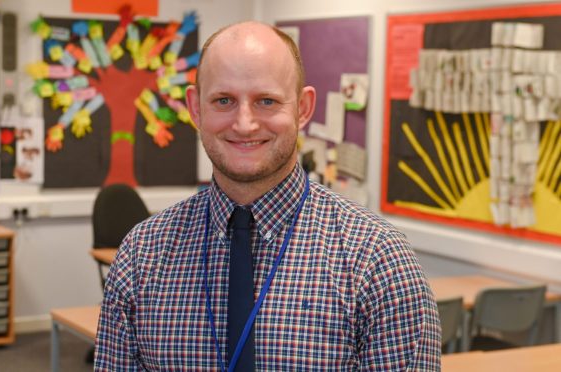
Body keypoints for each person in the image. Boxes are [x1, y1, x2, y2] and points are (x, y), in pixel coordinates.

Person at [95, 21, 441, 371]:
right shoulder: (143, 255)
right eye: (224, 100)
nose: (244, 124)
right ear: (196, 108)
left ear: (303, 108)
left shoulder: (377, 261)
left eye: (266, 101)